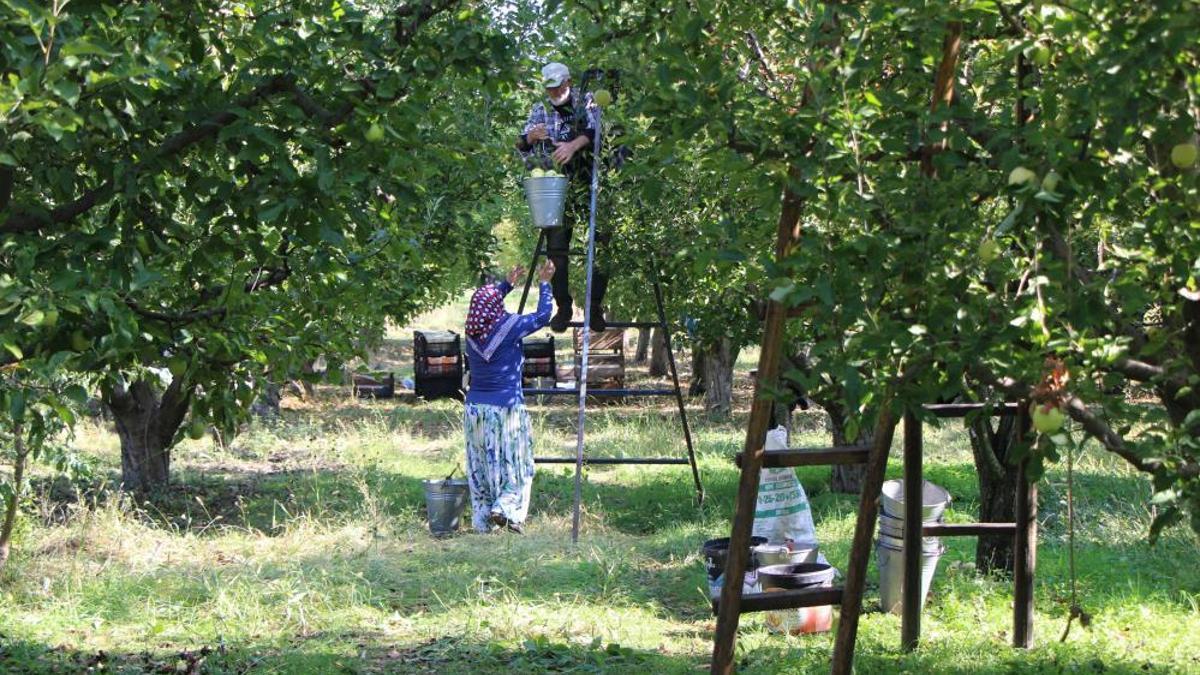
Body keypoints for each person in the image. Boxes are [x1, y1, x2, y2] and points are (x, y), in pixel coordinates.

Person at [516, 62, 610, 333]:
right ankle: (563, 307)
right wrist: (529, 138)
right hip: (556, 185)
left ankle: (595, 306)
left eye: (558, 85)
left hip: (591, 181)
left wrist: (572, 146)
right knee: (556, 245)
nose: (555, 91)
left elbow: (596, 130)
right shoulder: (540, 109)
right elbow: (521, 146)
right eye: (550, 87)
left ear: (568, 81)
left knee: (603, 242)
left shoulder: (587, 101)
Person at [462, 260, 555, 534]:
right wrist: (545, 284)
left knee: (480, 465)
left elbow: (485, 305)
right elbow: (543, 316)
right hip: (506, 408)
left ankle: (482, 521)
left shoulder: (471, 332)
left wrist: (507, 285)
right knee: (517, 462)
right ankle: (505, 509)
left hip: (474, 409)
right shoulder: (509, 326)